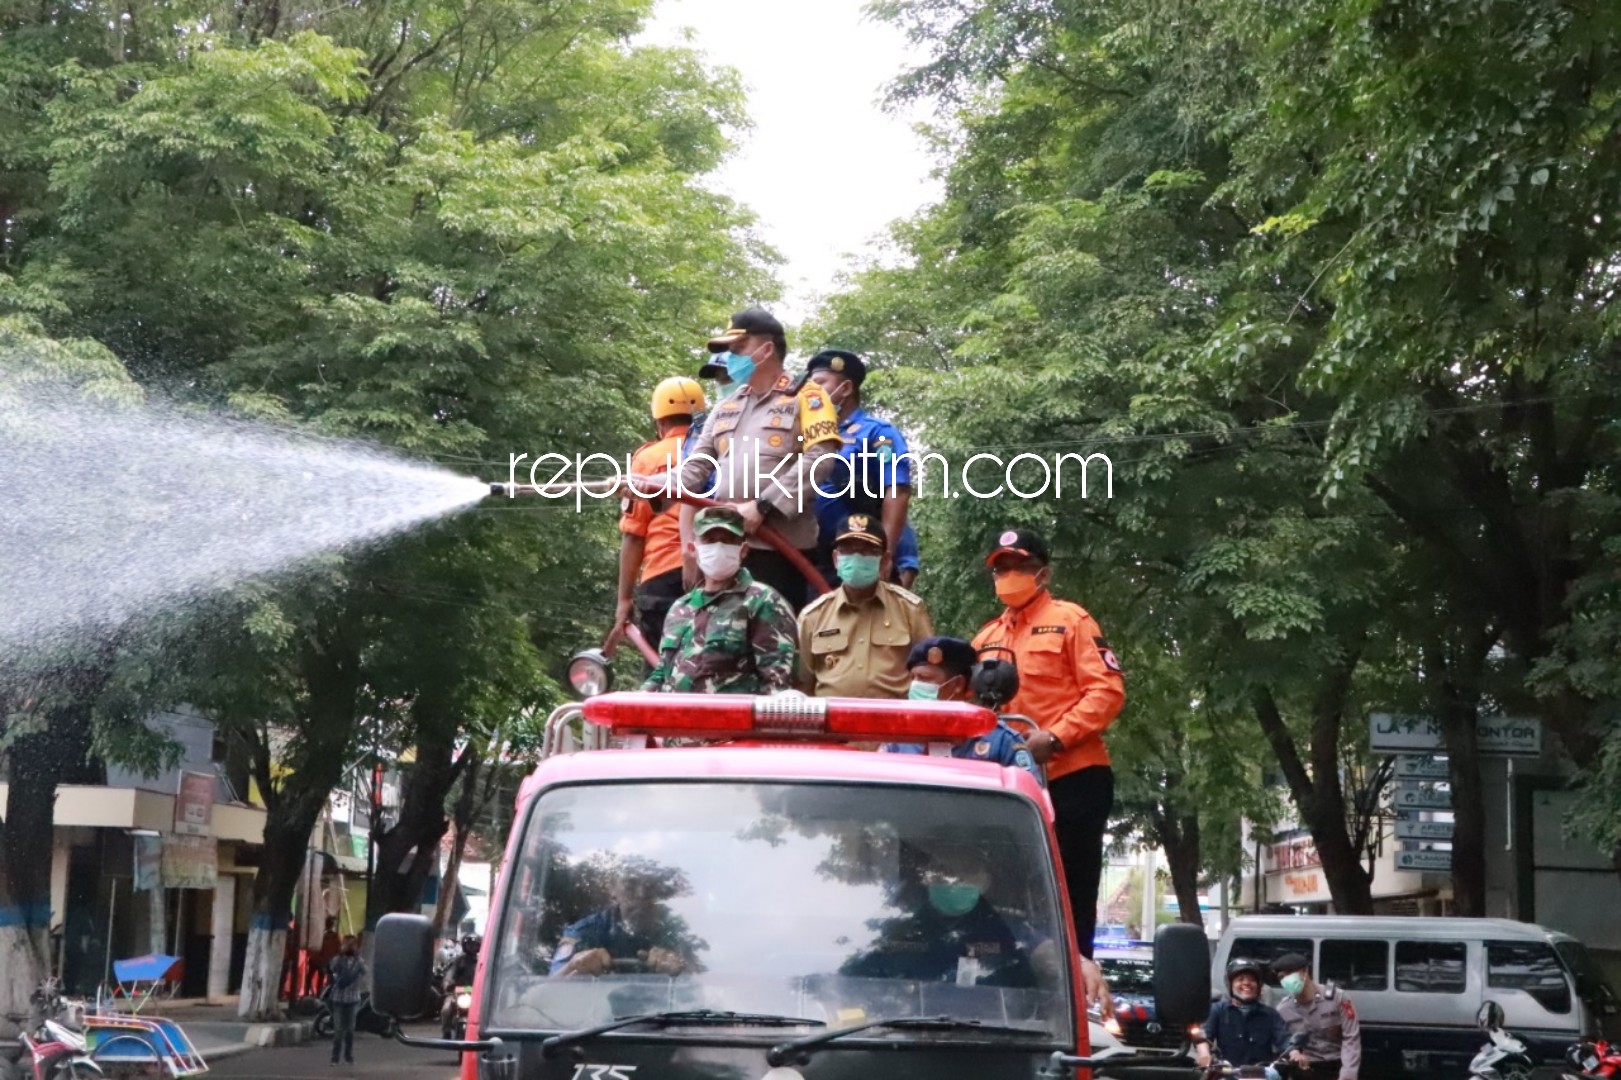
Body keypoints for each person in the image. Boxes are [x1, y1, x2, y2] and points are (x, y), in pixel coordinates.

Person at [971, 527, 1124, 958]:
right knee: (1007, 892)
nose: (1009, 574)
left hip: (1071, 776)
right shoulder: (985, 639)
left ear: (1043, 572)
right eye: (1001, 567)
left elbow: (1107, 693)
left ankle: (1076, 979)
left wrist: (1055, 737)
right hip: (1008, 782)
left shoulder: (1072, 620)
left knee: (1071, 894)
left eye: (1019, 565)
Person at [676, 309, 841, 611]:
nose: (731, 358)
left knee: (771, 646)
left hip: (780, 550)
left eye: (738, 349)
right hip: (725, 546)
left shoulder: (809, 396)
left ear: (766, 349)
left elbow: (821, 457)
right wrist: (648, 485)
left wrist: (764, 505)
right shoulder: (726, 406)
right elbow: (696, 466)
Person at [841, 840, 1058, 989]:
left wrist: (1076, 964)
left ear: (985, 880)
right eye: (944, 871)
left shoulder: (1007, 926)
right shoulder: (898, 926)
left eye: (967, 871)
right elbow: (851, 977)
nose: (955, 880)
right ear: (925, 879)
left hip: (992, 1041)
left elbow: (1044, 952)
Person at [642, 505, 799, 694]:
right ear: (693, 548)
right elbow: (661, 673)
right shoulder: (681, 607)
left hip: (733, 720)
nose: (718, 547)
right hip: (675, 719)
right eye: (709, 540)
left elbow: (777, 684)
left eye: (728, 540)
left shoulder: (763, 602)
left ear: (743, 550)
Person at [606, 376, 707, 655]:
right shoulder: (717, 451)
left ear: (660, 422)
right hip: (710, 569)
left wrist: (624, 599)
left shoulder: (648, 459)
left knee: (660, 669)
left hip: (663, 575)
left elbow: (634, 535)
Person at [803, 349, 916, 585]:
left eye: (820, 384)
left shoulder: (877, 432)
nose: (811, 392)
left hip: (859, 557)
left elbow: (897, 491)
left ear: (845, 388)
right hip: (810, 558)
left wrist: (886, 554)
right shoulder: (805, 435)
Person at [796, 513, 932, 697]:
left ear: (884, 561)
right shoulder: (813, 616)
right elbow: (803, 686)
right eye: (848, 550)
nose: (856, 557)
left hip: (893, 722)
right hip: (834, 722)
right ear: (836, 559)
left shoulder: (910, 610)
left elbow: (929, 677)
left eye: (868, 551)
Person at [879, 636, 1041, 779]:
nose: (915, 686)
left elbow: (1030, 801)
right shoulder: (899, 741)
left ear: (958, 684)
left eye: (925, 678)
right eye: (913, 679)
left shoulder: (1000, 742)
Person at [551, 868, 692, 977]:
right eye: (630, 884)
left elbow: (700, 989)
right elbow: (547, 991)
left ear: (657, 892)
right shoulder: (585, 931)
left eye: (649, 886)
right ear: (612, 889)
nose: (641, 894)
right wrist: (574, 966)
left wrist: (680, 970)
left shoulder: (674, 933)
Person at [1195, 959, 1309, 1072]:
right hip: (1227, 1073)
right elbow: (1203, 1037)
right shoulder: (1217, 1010)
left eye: (1252, 980)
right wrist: (1204, 1054)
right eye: (1240, 979)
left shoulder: (1270, 1014)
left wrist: (1295, 1053)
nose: (1246, 983)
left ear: (1259, 986)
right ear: (1230, 984)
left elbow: (1284, 1040)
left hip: (1262, 1074)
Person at [1273, 952, 1361, 1080]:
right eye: (1281, 977)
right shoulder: (1283, 1009)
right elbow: (1282, 1041)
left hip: (1336, 1066)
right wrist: (1294, 1053)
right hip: (1305, 1068)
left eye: (1290, 974)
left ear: (1305, 972)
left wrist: (1347, 1074)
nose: (1286, 980)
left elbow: (1351, 1039)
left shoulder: (1338, 998)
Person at [326, 935, 367, 1066]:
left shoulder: (359, 962)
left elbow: (365, 971)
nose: (349, 947)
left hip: (353, 999)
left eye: (352, 945)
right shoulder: (337, 960)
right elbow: (331, 968)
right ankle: (335, 1057)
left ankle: (348, 1056)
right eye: (347, 944)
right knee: (338, 1031)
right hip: (338, 999)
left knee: (349, 1030)